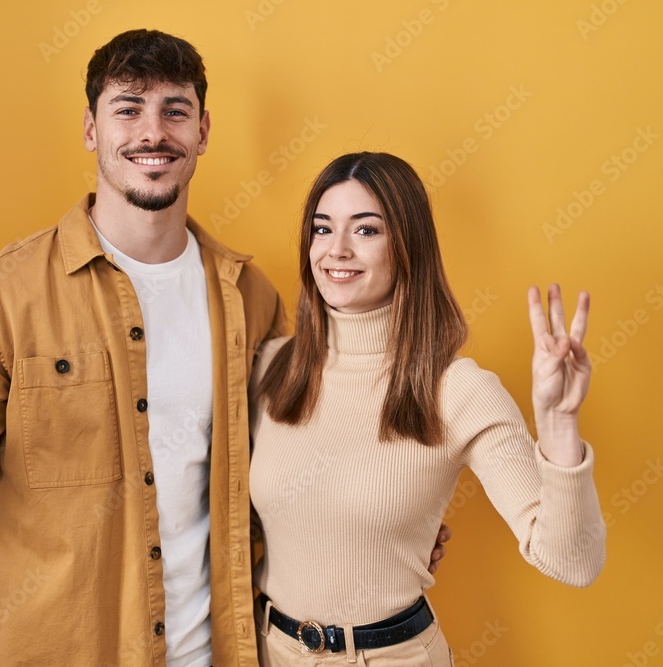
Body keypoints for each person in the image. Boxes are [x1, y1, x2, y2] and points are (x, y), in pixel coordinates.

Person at [0, 31, 448, 666]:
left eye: (175, 109)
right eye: (128, 108)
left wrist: (386, 527)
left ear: (202, 132)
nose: (153, 131)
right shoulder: (2, 297)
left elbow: (302, 453)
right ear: (91, 128)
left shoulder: (251, 298)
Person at [249, 152, 606, 665]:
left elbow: (573, 562)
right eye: (322, 229)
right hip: (268, 651)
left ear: (407, 247)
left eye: (367, 230)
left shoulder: (459, 391)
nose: (337, 250)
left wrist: (560, 426)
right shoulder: (271, 367)